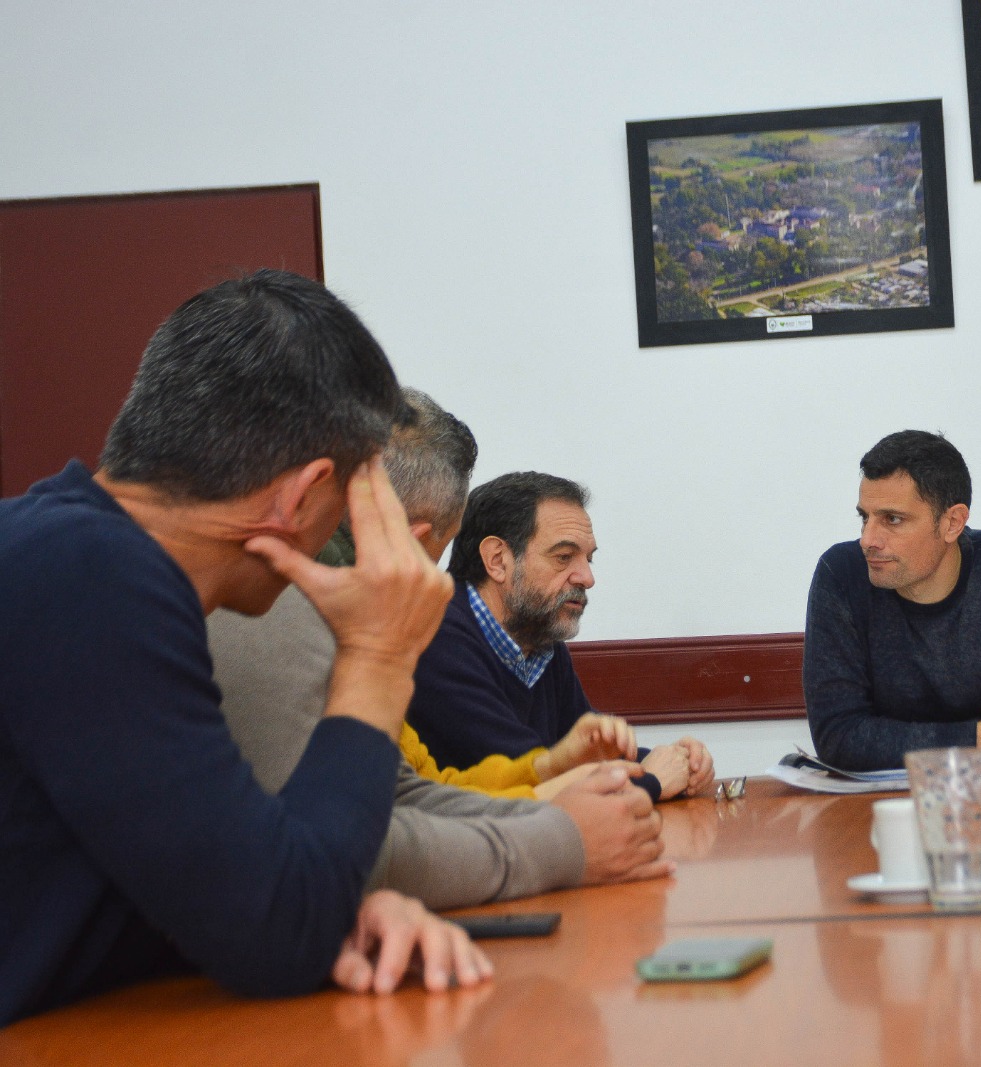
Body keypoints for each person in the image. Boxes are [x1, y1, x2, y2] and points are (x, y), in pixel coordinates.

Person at [0, 270, 487, 1027]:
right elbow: (275, 933)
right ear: (303, 495)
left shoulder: (64, 549)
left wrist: (336, 913)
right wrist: (379, 656)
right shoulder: (95, 576)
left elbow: (208, 883)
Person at [209, 389, 672, 910]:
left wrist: (559, 790)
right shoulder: (273, 608)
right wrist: (565, 838)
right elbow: (332, 853)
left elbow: (408, 789)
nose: (435, 581)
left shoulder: (530, 641)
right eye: (436, 552)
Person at [405, 472, 715, 801]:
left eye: (589, 558)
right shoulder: (437, 638)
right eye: (564, 557)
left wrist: (677, 762)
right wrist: (650, 780)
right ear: (497, 560)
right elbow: (534, 778)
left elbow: (588, 754)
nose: (587, 577)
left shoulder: (538, 638)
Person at [803, 429, 981, 771]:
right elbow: (839, 737)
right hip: (877, 807)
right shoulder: (841, 574)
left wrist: (895, 742)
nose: (868, 539)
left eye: (893, 519)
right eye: (865, 517)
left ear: (952, 523)